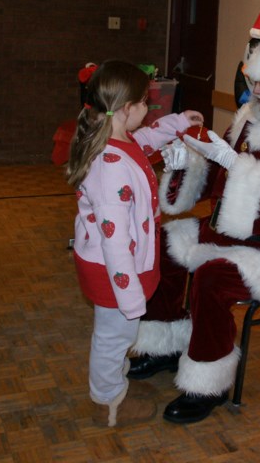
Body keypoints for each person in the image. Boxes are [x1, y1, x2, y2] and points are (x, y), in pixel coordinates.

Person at [130, 37, 260, 424]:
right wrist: (186, 162)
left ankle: (207, 385)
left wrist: (236, 165)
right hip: (228, 233)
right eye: (253, 80)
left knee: (214, 277)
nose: (254, 90)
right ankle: (166, 344)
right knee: (163, 242)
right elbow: (213, 179)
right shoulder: (248, 118)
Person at [67, 60, 204, 427]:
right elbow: (115, 243)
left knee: (118, 335)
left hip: (120, 269)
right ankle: (107, 402)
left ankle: (115, 384)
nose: (150, 107)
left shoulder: (121, 139)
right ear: (127, 108)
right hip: (115, 271)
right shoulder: (110, 166)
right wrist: (130, 296)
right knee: (113, 337)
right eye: (145, 102)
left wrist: (178, 123)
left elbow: (147, 138)